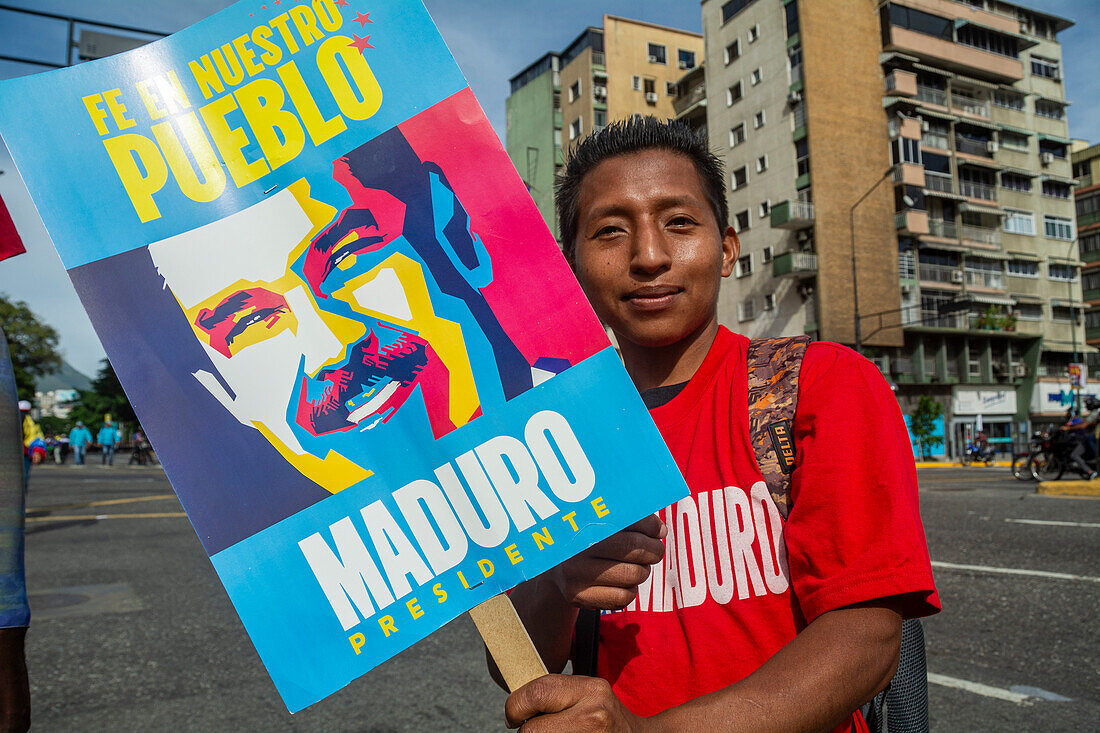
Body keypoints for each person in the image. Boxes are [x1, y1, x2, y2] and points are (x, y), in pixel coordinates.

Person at [494, 118, 939, 732]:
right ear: (571, 267)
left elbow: (867, 636)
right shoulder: (553, 436)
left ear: (727, 248)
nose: (649, 256)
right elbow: (516, 666)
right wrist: (553, 584)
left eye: (678, 222)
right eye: (610, 231)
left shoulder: (823, 384)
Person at [17, 402, 42, 489]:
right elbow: (36, 438)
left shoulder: (10, 419)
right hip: (25, 451)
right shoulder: (30, 421)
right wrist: (37, 451)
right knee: (23, 475)